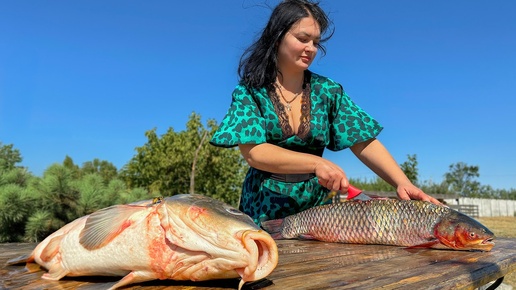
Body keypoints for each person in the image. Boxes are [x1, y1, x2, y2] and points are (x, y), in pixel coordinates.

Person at [210, 0, 440, 226]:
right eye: (302, 39)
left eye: (315, 42)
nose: (311, 48)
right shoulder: (250, 91)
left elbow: (363, 141)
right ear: (277, 36)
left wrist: (402, 183)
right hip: (261, 206)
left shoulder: (328, 91)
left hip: (316, 210)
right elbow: (254, 152)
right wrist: (316, 164)